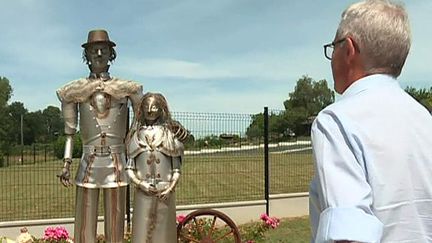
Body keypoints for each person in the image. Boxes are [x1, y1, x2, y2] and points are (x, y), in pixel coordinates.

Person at [309, 1, 432, 242]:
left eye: (333, 47)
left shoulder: (336, 121)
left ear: (348, 49)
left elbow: (348, 236)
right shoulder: (424, 119)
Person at [56, 29, 143, 243]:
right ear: (87, 55)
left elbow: (138, 122)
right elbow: (70, 132)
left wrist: (132, 153)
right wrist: (66, 163)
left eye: (103, 49)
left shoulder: (128, 88)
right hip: (89, 161)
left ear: (111, 54)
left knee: (116, 221)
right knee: (84, 222)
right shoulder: (75, 90)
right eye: (94, 50)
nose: (99, 54)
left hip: (117, 161)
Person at [125, 92, 185, 243]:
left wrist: (170, 188)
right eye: (146, 106)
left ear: (161, 109)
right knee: (141, 232)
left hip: (165, 193)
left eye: (154, 107)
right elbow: (129, 168)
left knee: (165, 233)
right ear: (141, 110)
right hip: (142, 192)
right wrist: (141, 183)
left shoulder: (170, 136)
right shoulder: (135, 136)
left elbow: (176, 169)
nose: (150, 110)